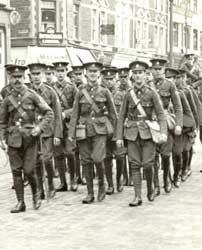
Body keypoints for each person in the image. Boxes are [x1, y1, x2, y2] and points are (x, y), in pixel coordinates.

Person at [0, 64, 54, 213]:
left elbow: (49, 113)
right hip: (13, 140)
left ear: (24, 78)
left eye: (19, 77)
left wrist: (39, 127)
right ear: (10, 79)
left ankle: (36, 194)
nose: (17, 80)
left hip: (30, 139)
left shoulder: (32, 95)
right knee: (16, 172)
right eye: (14, 77)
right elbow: (2, 121)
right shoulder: (7, 99)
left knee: (29, 171)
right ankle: (20, 202)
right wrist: (2, 139)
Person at [116, 60, 167, 207]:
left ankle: (150, 187)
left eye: (141, 73)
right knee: (134, 164)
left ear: (146, 74)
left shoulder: (152, 93)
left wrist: (163, 133)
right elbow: (121, 117)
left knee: (148, 164)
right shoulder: (128, 94)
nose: (138, 76)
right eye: (136, 73)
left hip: (148, 132)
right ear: (132, 75)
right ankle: (137, 196)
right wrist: (119, 136)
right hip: (132, 133)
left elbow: (161, 115)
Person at [68, 62, 117, 204]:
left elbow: (113, 114)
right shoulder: (80, 91)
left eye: (95, 72)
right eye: (90, 71)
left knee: (97, 158)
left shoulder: (105, 91)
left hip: (100, 130)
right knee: (86, 161)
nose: (93, 74)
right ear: (85, 74)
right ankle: (90, 193)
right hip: (83, 130)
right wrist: (71, 133)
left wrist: (115, 134)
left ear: (99, 74)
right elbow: (75, 113)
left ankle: (102, 187)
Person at [28, 63, 63, 199]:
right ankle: (40, 189)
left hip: (47, 131)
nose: (36, 77)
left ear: (43, 75)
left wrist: (58, 134)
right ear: (30, 76)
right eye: (33, 74)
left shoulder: (50, 92)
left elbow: (57, 114)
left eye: (38, 74)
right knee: (36, 161)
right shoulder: (28, 92)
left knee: (47, 159)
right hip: (32, 131)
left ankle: (50, 183)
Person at [150, 58, 183, 195]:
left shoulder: (170, 85)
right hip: (151, 124)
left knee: (165, 155)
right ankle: (156, 185)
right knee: (152, 157)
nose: (157, 72)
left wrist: (179, 125)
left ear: (164, 70)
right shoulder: (147, 85)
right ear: (151, 70)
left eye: (160, 69)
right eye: (155, 69)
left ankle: (166, 179)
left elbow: (178, 107)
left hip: (165, 123)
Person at [52, 61, 78, 192]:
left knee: (70, 152)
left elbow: (77, 106)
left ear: (66, 72)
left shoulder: (72, 88)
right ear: (54, 73)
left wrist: (65, 113)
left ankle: (73, 179)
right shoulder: (50, 88)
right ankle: (63, 182)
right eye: (58, 71)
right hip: (56, 126)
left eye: (62, 71)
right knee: (58, 154)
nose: (60, 74)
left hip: (68, 125)